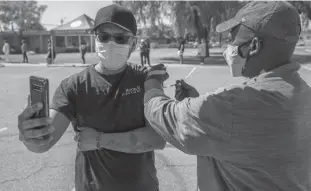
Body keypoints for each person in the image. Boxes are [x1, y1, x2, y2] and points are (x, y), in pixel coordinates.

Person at [143, 1, 311, 191]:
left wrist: (152, 85)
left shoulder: (234, 104)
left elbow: (170, 118)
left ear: (254, 45)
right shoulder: (303, 93)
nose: (229, 49)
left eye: (234, 40)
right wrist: (198, 101)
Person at [17, 4, 165, 191]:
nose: (111, 44)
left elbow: (158, 138)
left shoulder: (146, 79)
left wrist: (100, 140)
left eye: (120, 38)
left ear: (133, 44)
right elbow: (43, 143)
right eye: (104, 36)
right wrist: (30, 135)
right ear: (95, 40)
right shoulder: (74, 86)